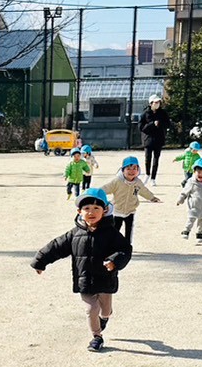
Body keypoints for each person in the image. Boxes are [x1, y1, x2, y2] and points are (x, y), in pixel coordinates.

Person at [33, 185, 131, 351]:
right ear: (79, 211)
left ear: (105, 210)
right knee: (92, 309)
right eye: (87, 208)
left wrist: (114, 261)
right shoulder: (74, 234)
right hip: (84, 280)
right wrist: (40, 260)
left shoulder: (111, 233)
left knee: (105, 310)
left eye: (96, 208)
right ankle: (97, 337)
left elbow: (125, 249)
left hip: (105, 280)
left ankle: (105, 317)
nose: (91, 212)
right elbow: (56, 247)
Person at [102, 153, 161, 245]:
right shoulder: (117, 181)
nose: (131, 171)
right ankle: (112, 246)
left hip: (130, 211)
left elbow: (144, 191)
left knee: (129, 230)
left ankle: (127, 246)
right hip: (117, 211)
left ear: (138, 170)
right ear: (123, 170)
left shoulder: (138, 182)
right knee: (115, 230)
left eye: (134, 168)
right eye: (128, 168)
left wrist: (152, 197)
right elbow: (106, 188)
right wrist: (95, 194)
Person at [137, 95, 171, 181]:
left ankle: (153, 178)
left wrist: (160, 124)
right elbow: (141, 127)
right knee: (147, 158)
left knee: (156, 159)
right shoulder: (145, 113)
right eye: (155, 102)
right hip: (148, 139)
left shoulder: (163, 113)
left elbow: (168, 124)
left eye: (158, 102)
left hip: (159, 139)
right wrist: (152, 124)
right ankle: (147, 174)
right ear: (151, 103)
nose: (157, 104)